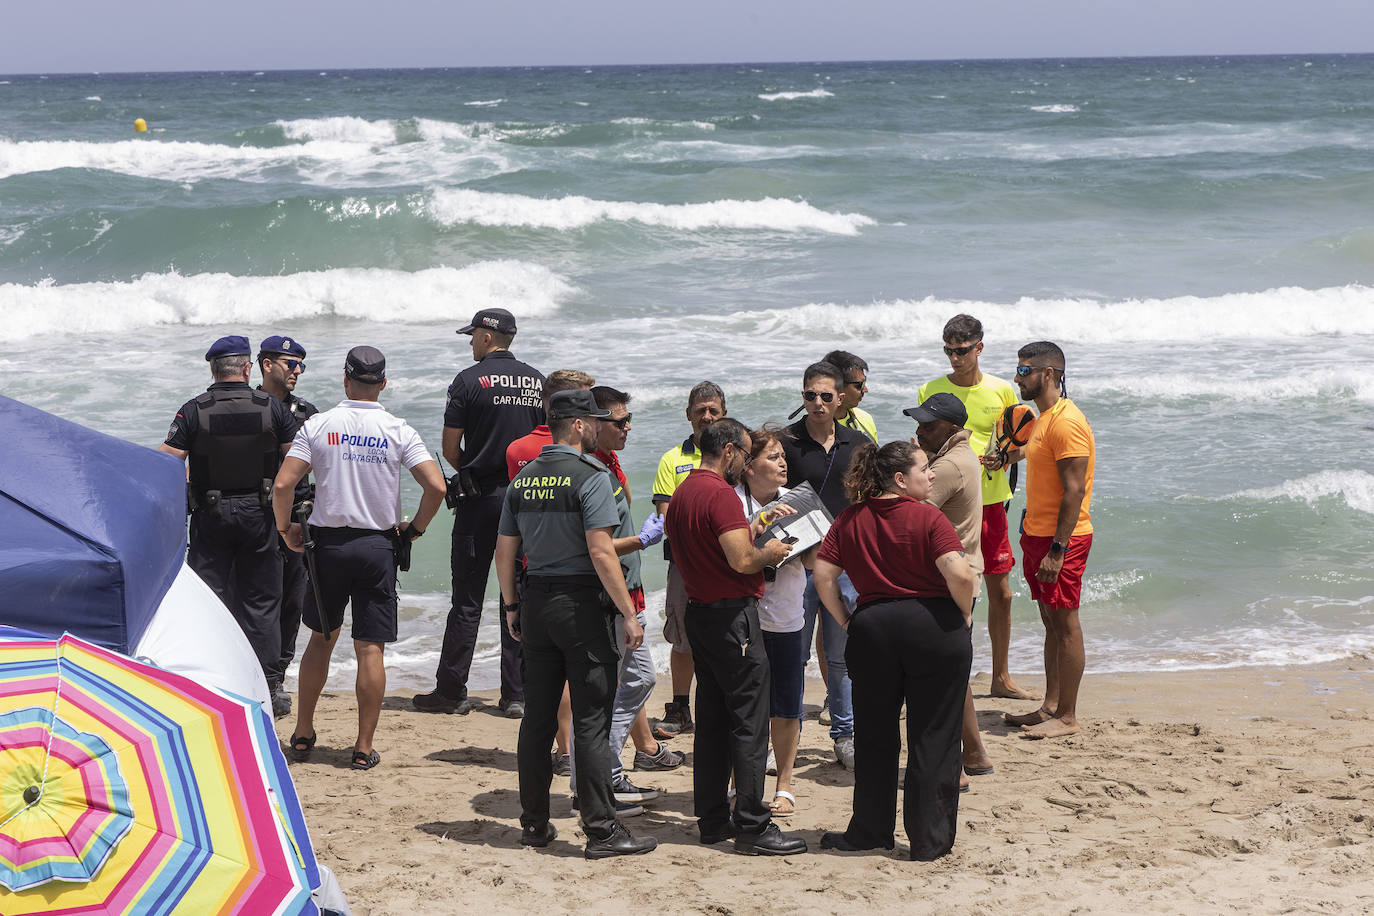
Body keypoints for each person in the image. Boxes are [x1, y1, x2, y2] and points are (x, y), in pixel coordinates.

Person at [494, 389, 658, 859]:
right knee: (590, 719)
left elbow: (505, 550)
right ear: (581, 425)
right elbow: (601, 550)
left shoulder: (522, 480)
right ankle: (602, 831)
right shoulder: (592, 476)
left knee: (538, 718)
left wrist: (511, 607)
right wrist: (628, 612)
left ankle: (534, 824)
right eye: (593, 420)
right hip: (582, 606)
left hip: (536, 602)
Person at [272, 346, 446, 770]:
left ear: (345, 381)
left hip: (327, 547)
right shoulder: (398, 429)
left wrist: (285, 529)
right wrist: (415, 529)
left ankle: (302, 734)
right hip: (377, 547)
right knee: (370, 649)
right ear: (383, 384)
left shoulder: (318, 424)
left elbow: (283, 486)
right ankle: (363, 747)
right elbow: (437, 488)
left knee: (321, 638)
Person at [813, 441, 978, 861]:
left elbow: (824, 575)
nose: (932, 475)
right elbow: (958, 572)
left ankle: (869, 831)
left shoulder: (849, 518)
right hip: (933, 627)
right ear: (901, 479)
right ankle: (929, 840)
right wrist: (964, 614)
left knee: (874, 736)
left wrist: (847, 619)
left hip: (874, 629)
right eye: (924, 469)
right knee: (934, 735)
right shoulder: (928, 517)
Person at [664, 418, 806, 856]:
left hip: (702, 613)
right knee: (748, 721)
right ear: (728, 452)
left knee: (712, 720)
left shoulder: (685, 489)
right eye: (744, 454)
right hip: (733, 617)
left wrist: (755, 529)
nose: (744, 462)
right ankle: (751, 824)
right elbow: (744, 561)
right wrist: (772, 550)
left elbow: (710, 546)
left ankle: (712, 818)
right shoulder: (721, 493)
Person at [416, 308, 545, 717]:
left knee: (467, 598)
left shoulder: (467, 381)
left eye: (472, 335)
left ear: (488, 337)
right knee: (519, 595)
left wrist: (469, 471)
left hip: (481, 499)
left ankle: (452, 692)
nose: (471, 342)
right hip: (528, 497)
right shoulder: (539, 381)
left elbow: (451, 447)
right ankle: (517, 695)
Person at [159, 334, 298, 687]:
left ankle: (211, 682)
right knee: (263, 603)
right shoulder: (273, 408)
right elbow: (299, 460)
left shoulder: (194, 410)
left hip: (212, 516)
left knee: (210, 600)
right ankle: (268, 685)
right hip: (260, 514)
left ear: (214, 368)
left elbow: (164, 462)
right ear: (248, 367)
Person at [566, 385, 680, 810]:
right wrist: (643, 540)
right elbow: (594, 547)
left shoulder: (610, 465)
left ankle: (603, 777)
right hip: (609, 598)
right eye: (620, 421)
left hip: (626, 594)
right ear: (594, 423)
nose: (628, 427)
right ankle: (594, 784)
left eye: (629, 419)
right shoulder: (590, 469)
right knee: (613, 689)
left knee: (635, 681)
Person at [918, 313, 1036, 700]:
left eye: (963, 350)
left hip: (991, 503)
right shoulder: (929, 390)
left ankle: (1000, 677)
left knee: (1000, 592)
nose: (955, 358)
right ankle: (938, 675)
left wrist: (1004, 459)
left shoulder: (1002, 391)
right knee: (941, 588)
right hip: (947, 503)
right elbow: (923, 442)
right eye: (949, 350)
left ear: (979, 348)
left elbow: (1023, 442)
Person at [1001, 342, 1095, 740]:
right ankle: (1051, 706)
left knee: (1066, 622)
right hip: (1036, 534)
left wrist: (1058, 549)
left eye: (1025, 371)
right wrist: (1006, 458)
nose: (1018, 377)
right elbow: (1035, 452)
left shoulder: (1067, 421)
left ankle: (1069, 717)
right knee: (1049, 621)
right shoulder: (1043, 419)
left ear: (1050, 374)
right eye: (1018, 370)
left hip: (1064, 539)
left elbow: (1074, 491)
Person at [905, 393, 995, 787]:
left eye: (929, 425)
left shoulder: (947, 467)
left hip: (947, 579)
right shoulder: (962, 456)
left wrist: (908, 464)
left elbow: (904, 505)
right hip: (962, 574)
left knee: (937, 679)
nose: (920, 431)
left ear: (953, 429)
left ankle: (951, 768)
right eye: (920, 423)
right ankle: (973, 753)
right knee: (953, 674)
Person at [780, 361, 866, 769]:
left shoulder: (859, 444)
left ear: (841, 399)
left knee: (841, 657)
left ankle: (844, 736)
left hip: (843, 568)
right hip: (795, 566)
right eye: (809, 395)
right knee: (793, 656)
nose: (816, 402)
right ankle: (789, 732)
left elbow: (871, 503)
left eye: (825, 396)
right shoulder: (786, 443)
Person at [506, 369, 596, 750]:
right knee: (584, 675)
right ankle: (576, 751)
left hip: (531, 571)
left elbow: (514, 529)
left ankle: (560, 747)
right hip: (579, 578)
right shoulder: (589, 459)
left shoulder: (519, 452)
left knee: (543, 678)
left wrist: (510, 600)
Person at [736, 425, 808, 818]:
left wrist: (798, 540)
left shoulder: (798, 500)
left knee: (786, 705)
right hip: (745, 616)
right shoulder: (733, 502)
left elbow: (816, 561)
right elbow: (728, 554)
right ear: (748, 466)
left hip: (785, 615)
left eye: (783, 456)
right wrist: (760, 524)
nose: (783, 462)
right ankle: (741, 782)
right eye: (773, 457)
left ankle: (784, 785)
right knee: (746, 707)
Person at [650, 380, 727, 738]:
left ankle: (722, 705)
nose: (707, 417)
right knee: (682, 638)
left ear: (724, 413)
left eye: (713, 410)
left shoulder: (736, 454)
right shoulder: (672, 459)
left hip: (731, 561)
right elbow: (666, 515)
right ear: (688, 416)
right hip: (684, 564)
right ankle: (680, 706)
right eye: (700, 411)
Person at [256, 334, 320, 719]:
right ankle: (252, 674)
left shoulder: (307, 412)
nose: (297, 371)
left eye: (301, 365)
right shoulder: (249, 406)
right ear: (267, 365)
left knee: (292, 598)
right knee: (255, 598)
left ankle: (276, 677)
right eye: (289, 363)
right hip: (255, 514)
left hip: (297, 515)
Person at [823, 350, 878, 443]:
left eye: (864, 382)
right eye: (859, 385)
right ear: (836, 386)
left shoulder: (864, 418)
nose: (865, 389)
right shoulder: (814, 428)